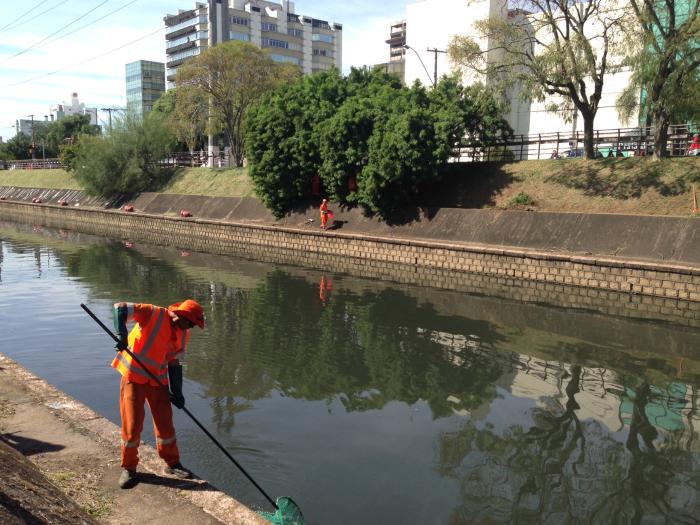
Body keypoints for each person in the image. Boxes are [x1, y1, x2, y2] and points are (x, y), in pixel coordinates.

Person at [112, 299, 205, 489]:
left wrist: (177, 392)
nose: (191, 328)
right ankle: (129, 468)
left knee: (165, 424)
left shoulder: (183, 334)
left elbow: (174, 362)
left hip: (158, 380)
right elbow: (120, 308)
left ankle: (172, 463)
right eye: (191, 323)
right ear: (182, 316)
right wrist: (121, 335)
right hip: (134, 377)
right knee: (132, 425)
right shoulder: (152, 313)